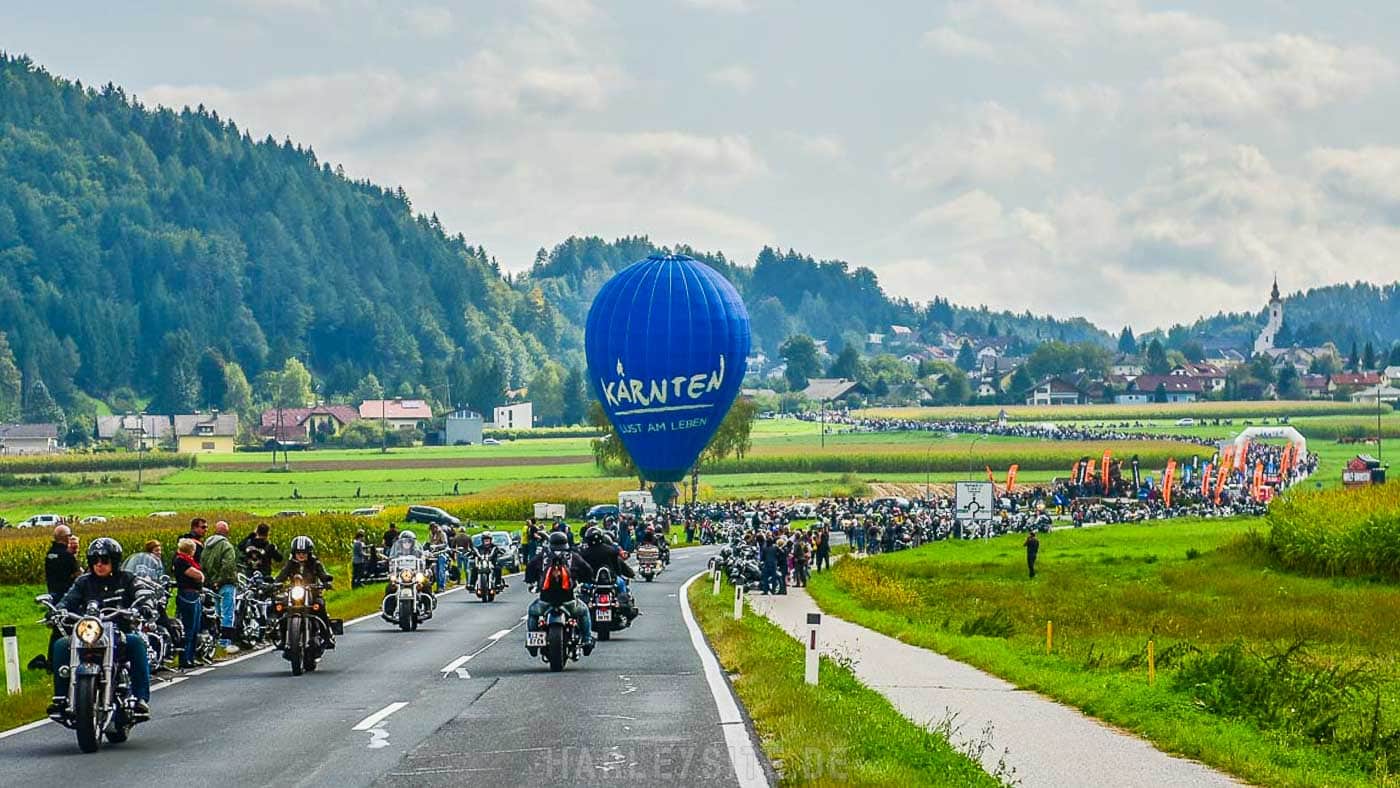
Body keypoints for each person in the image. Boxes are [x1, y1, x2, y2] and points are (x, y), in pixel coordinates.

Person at [47, 538, 152, 720]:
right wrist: (59, 610)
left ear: (114, 561)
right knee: (62, 645)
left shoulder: (127, 579)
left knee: (137, 643)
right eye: (95, 560)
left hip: (119, 631)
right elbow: (69, 598)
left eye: (104, 560)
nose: (99, 564)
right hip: (89, 633)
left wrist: (145, 606)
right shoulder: (83, 582)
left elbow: (141, 591)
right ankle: (62, 698)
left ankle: (140, 697)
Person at [524, 532, 594, 652]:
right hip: (568, 600)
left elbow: (530, 568)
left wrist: (532, 580)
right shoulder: (573, 556)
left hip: (545, 601)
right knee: (584, 611)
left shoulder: (543, 557)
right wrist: (584, 579)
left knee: (533, 612)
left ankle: (533, 640)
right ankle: (587, 639)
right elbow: (588, 571)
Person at [276, 536, 336, 648]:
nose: (301, 555)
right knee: (280, 607)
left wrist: (326, 581)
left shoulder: (315, 563)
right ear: (294, 552)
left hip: (312, 594)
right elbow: (282, 575)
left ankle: (327, 636)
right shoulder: (290, 564)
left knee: (320, 606)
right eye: (298, 552)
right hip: (293, 596)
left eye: (304, 552)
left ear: (309, 552)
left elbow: (322, 574)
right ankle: (283, 638)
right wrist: (275, 584)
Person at [578, 526, 638, 619]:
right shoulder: (612, 551)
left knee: (582, 590)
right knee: (622, 585)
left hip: (592, 581)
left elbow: (581, 570)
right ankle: (628, 608)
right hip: (610, 581)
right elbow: (617, 567)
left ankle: (626, 607)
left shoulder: (584, 553)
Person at [203, 521, 240, 654]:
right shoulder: (226, 546)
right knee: (228, 613)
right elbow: (228, 565)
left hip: (212, 585)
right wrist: (220, 581)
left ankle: (216, 638)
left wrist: (211, 581)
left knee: (217, 612)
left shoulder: (207, 546)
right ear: (226, 532)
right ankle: (226, 642)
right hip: (226, 583)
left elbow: (203, 565)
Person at [172, 538, 205, 669]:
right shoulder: (181, 561)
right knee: (189, 627)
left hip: (194, 594)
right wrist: (201, 576)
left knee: (195, 627)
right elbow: (197, 575)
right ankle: (185, 658)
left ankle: (191, 656)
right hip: (188, 594)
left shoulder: (187, 560)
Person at [44, 525, 80, 600]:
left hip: (52, 590)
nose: (70, 537)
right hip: (66, 593)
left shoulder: (50, 553)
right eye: (70, 535)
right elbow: (78, 574)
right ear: (65, 537)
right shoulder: (67, 555)